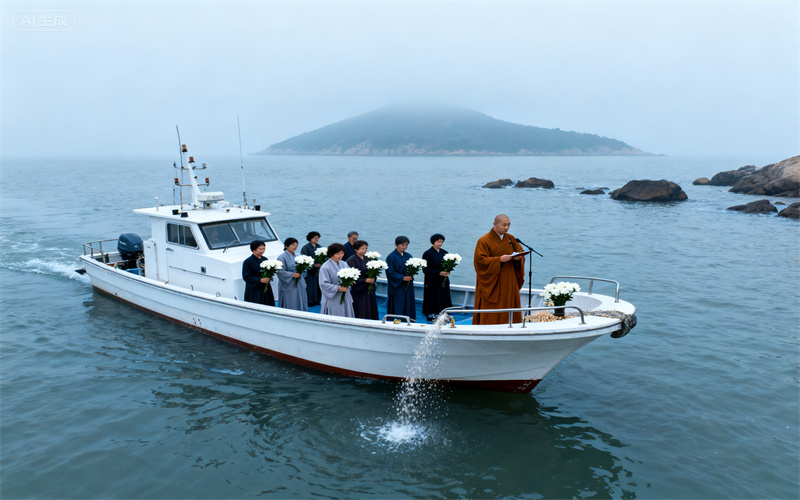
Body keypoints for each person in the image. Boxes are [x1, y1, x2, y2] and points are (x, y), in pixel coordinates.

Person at [473, 214, 526, 325]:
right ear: (494, 224)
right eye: (504, 225)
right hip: (493, 280)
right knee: (493, 305)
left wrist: (518, 258)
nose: (506, 228)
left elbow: (520, 251)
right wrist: (499, 259)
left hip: (509, 278)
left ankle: (511, 324)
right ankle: (489, 326)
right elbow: (479, 261)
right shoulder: (484, 240)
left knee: (509, 302)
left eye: (508, 225)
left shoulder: (510, 238)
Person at [422, 233, 453, 322]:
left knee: (444, 296)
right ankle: (431, 314)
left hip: (443, 279)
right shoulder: (427, 254)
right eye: (438, 242)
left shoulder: (445, 253)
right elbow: (426, 269)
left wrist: (447, 272)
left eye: (441, 242)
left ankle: (444, 314)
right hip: (432, 280)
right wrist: (439, 272)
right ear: (433, 242)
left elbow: (449, 265)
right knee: (432, 296)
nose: (440, 243)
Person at [318, 243, 355, 317]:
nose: (340, 256)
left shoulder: (344, 264)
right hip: (333, 297)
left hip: (344, 294)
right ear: (331, 254)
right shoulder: (325, 267)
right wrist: (338, 288)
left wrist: (348, 284)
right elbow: (323, 284)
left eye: (342, 253)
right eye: (338, 254)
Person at [346, 240, 379, 320]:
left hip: (369, 287)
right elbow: (351, 276)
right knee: (361, 307)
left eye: (366, 248)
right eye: (362, 249)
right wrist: (364, 280)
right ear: (356, 249)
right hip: (359, 288)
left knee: (371, 304)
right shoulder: (351, 260)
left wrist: (373, 277)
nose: (364, 250)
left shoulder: (368, 259)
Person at [385, 235, 416, 322]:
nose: (404, 247)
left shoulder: (408, 256)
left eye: (406, 245)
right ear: (396, 245)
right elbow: (390, 272)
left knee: (408, 301)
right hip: (397, 285)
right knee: (398, 303)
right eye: (402, 245)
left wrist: (410, 275)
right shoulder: (391, 257)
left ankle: (410, 319)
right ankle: (396, 319)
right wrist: (402, 278)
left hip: (407, 284)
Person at [276, 237, 308, 312]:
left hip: (299, 282)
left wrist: (302, 272)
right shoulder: (281, 257)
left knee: (301, 298)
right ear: (286, 246)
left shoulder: (298, 256)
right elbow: (280, 271)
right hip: (289, 283)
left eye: (296, 245)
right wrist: (292, 275)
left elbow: (304, 269)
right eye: (293, 245)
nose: (295, 247)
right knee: (291, 301)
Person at [242, 240, 275, 306]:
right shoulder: (248, 262)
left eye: (264, 249)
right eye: (260, 249)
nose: (262, 250)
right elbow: (246, 277)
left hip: (265, 286)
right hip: (255, 289)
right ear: (253, 250)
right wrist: (259, 280)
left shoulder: (265, 259)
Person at [300, 231, 322, 306]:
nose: (317, 240)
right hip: (310, 271)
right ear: (311, 238)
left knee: (317, 286)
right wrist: (313, 265)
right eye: (315, 238)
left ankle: (317, 300)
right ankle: (310, 301)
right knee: (310, 286)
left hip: (318, 271)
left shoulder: (319, 247)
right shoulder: (305, 248)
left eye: (318, 238)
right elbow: (304, 259)